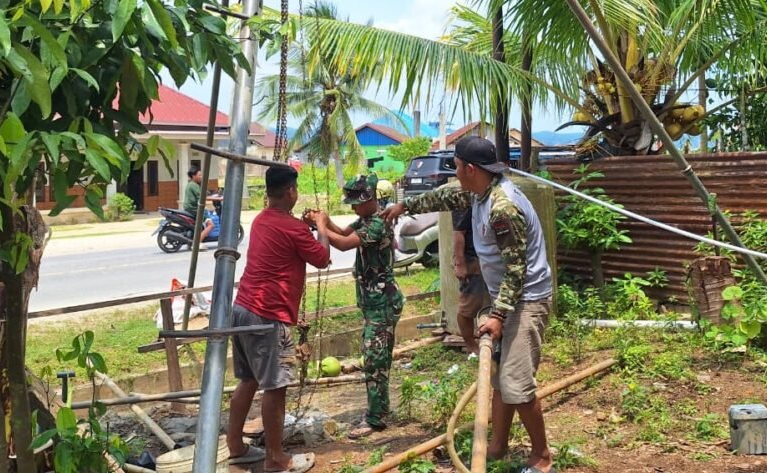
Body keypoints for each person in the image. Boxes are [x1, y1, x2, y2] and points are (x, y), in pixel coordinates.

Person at [383, 136, 555, 473]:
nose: (455, 172)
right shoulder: (480, 193)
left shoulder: (502, 208)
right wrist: (405, 206)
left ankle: (542, 457)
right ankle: (497, 447)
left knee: (517, 383)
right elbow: (445, 196)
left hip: (527, 301)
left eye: (458, 166)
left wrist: (498, 315)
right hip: (510, 298)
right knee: (501, 380)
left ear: (471, 169)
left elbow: (516, 270)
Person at [225, 165, 330, 473]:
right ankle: (275, 457)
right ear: (290, 191)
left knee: (249, 379)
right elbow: (322, 258)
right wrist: (321, 226)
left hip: (242, 309)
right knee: (276, 386)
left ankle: (236, 446)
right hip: (269, 316)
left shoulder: (261, 220)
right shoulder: (294, 228)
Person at [312, 173, 403, 439]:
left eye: (356, 203)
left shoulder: (377, 224)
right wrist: (323, 220)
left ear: (370, 199)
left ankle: (376, 419)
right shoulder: (365, 219)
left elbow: (342, 244)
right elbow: (342, 232)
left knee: (375, 360)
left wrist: (320, 226)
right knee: (377, 358)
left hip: (383, 303)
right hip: (374, 304)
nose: (353, 207)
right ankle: (379, 409)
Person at [453, 204, 492, 355]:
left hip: (488, 258)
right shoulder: (463, 200)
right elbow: (458, 233)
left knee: (491, 302)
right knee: (469, 304)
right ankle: (471, 344)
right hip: (472, 259)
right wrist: (460, 263)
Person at [183, 165, 215, 243]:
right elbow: (201, 196)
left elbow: (203, 193)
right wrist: (215, 198)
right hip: (195, 209)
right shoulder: (194, 185)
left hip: (190, 208)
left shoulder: (192, 184)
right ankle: (197, 243)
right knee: (211, 225)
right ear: (193, 176)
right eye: (199, 175)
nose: (201, 177)